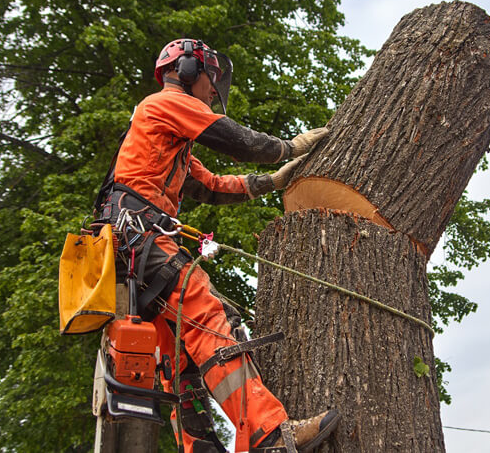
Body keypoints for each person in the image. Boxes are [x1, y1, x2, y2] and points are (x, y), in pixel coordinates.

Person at [95, 39, 339, 452]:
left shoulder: (163, 132)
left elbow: (208, 186)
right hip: (141, 236)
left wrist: (272, 182)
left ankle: (201, 447)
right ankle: (268, 435)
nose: (213, 91)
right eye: (211, 79)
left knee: (179, 352)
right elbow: (236, 139)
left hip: (131, 243)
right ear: (187, 70)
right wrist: (289, 146)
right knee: (209, 316)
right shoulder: (165, 102)